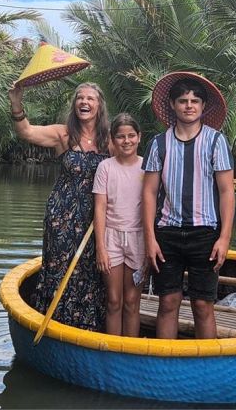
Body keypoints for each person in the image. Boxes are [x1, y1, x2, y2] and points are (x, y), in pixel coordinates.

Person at [8, 82, 110, 332]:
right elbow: (26, 132)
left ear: (99, 105)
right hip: (62, 217)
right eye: (80, 98)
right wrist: (16, 103)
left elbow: (129, 165)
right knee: (59, 267)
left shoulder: (109, 139)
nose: (84, 102)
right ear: (75, 105)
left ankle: (88, 327)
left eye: (90, 99)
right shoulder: (62, 134)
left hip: (97, 218)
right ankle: (56, 324)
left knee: (91, 271)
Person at [142, 72, 235, 339]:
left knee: (203, 305)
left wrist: (224, 239)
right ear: (173, 105)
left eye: (195, 101)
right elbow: (149, 193)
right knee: (167, 302)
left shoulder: (216, 141)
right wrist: (150, 239)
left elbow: (227, 192)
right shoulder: (158, 144)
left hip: (205, 233)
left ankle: (206, 361)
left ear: (203, 106)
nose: (189, 106)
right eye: (183, 100)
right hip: (167, 233)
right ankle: (165, 359)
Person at [92, 113, 146, 336]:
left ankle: (130, 349)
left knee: (132, 301)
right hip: (111, 238)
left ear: (139, 137)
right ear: (113, 140)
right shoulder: (105, 167)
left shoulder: (147, 166)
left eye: (131, 136)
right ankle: (112, 349)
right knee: (114, 300)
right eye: (121, 137)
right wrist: (100, 248)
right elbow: (100, 208)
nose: (126, 141)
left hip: (138, 238)